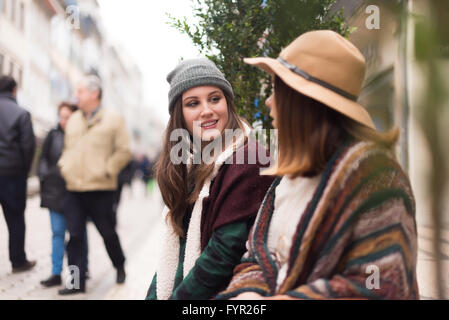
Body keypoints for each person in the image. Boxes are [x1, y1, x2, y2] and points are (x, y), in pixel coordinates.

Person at [217, 30, 419, 300]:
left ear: (300, 102)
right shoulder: (288, 178)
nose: (268, 102)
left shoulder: (378, 177)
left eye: (276, 89)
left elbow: (382, 284)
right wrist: (247, 296)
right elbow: (256, 256)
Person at [145, 58, 275, 300]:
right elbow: (176, 255)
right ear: (179, 115)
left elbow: (223, 254)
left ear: (227, 102)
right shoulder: (189, 163)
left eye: (215, 98)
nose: (207, 110)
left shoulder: (248, 158)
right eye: (193, 103)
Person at [57, 75, 131, 295]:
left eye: (79, 92)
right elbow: (67, 150)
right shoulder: (73, 120)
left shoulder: (114, 119)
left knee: (107, 232)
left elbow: (124, 151)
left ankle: (120, 266)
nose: (75, 96)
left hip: (101, 189)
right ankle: (75, 282)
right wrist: (65, 166)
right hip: (74, 189)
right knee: (75, 236)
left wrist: (107, 169)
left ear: (94, 94)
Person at [38, 102, 89, 287]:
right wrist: (45, 175)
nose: (63, 120)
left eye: (67, 116)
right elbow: (43, 159)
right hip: (54, 191)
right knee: (57, 233)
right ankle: (55, 273)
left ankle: (80, 272)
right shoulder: (52, 135)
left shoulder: (82, 136)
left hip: (75, 192)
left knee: (77, 235)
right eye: (61, 116)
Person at [0, 76, 36, 273]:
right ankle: (18, 260)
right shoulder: (21, 114)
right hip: (12, 174)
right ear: (14, 90)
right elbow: (28, 146)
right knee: (15, 218)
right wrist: (24, 170)